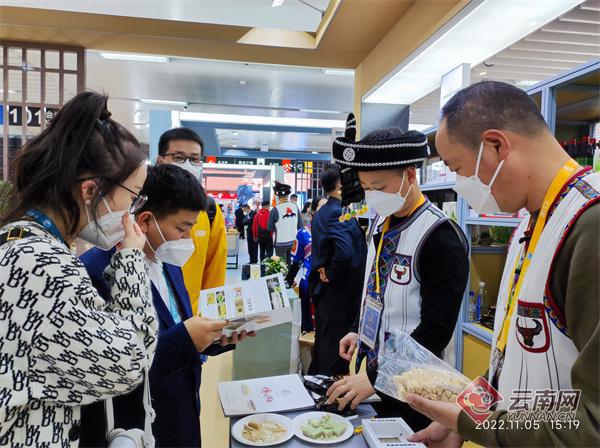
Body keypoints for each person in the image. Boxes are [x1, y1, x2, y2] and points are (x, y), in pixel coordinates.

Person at [404, 81, 600, 448]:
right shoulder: (530, 223)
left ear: (496, 145)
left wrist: (473, 424)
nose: (462, 185)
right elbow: (513, 358)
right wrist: (461, 420)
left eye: (459, 169)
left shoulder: (590, 226)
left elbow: (593, 423)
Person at [0, 92, 157, 446]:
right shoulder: (42, 267)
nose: (132, 213)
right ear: (90, 190)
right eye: (132, 198)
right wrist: (131, 258)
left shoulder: (19, 241)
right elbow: (129, 360)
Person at [78, 164, 250, 446]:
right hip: (141, 426)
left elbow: (176, 324)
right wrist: (185, 339)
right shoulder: (97, 273)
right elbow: (119, 368)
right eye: (182, 229)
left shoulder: (166, 258)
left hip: (183, 410)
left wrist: (218, 335)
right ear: (145, 220)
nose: (188, 239)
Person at [326, 115, 469, 430]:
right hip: (375, 378)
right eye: (366, 187)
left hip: (417, 391)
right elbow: (378, 288)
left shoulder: (440, 236)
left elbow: (435, 332)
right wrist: (359, 330)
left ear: (410, 174)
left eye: (379, 186)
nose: (373, 195)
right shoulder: (382, 219)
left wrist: (375, 377)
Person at [157, 127, 227, 314]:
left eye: (195, 159)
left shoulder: (209, 212)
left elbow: (215, 272)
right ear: (161, 160)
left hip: (193, 320)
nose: (188, 165)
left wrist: (212, 319)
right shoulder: (143, 207)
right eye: (179, 158)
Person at [308, 164, 367, 376]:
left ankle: (319, 389)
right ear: (341, 184)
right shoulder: (335, 212)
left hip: (334, 295)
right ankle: (327, 396)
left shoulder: (333, 210)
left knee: (326, 345)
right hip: (338, 295)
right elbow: (344, 252)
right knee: (333, 351)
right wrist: (330, 272)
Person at [286, 196, 328, 333]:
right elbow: (296, 260)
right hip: (309, 282)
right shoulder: (302, 233)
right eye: (323, 207)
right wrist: (290, 279)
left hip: (329, 281)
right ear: (313, 211)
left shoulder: (335, 232)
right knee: (308, 322)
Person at [268, 182, 302, 265]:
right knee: (292, 265)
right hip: (294, 242)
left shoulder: (275, 210)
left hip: (280, 243)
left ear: (277, 196)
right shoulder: (295, 207)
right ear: (288, 195)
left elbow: (269, 228)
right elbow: (300, 226)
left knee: (281, 267)